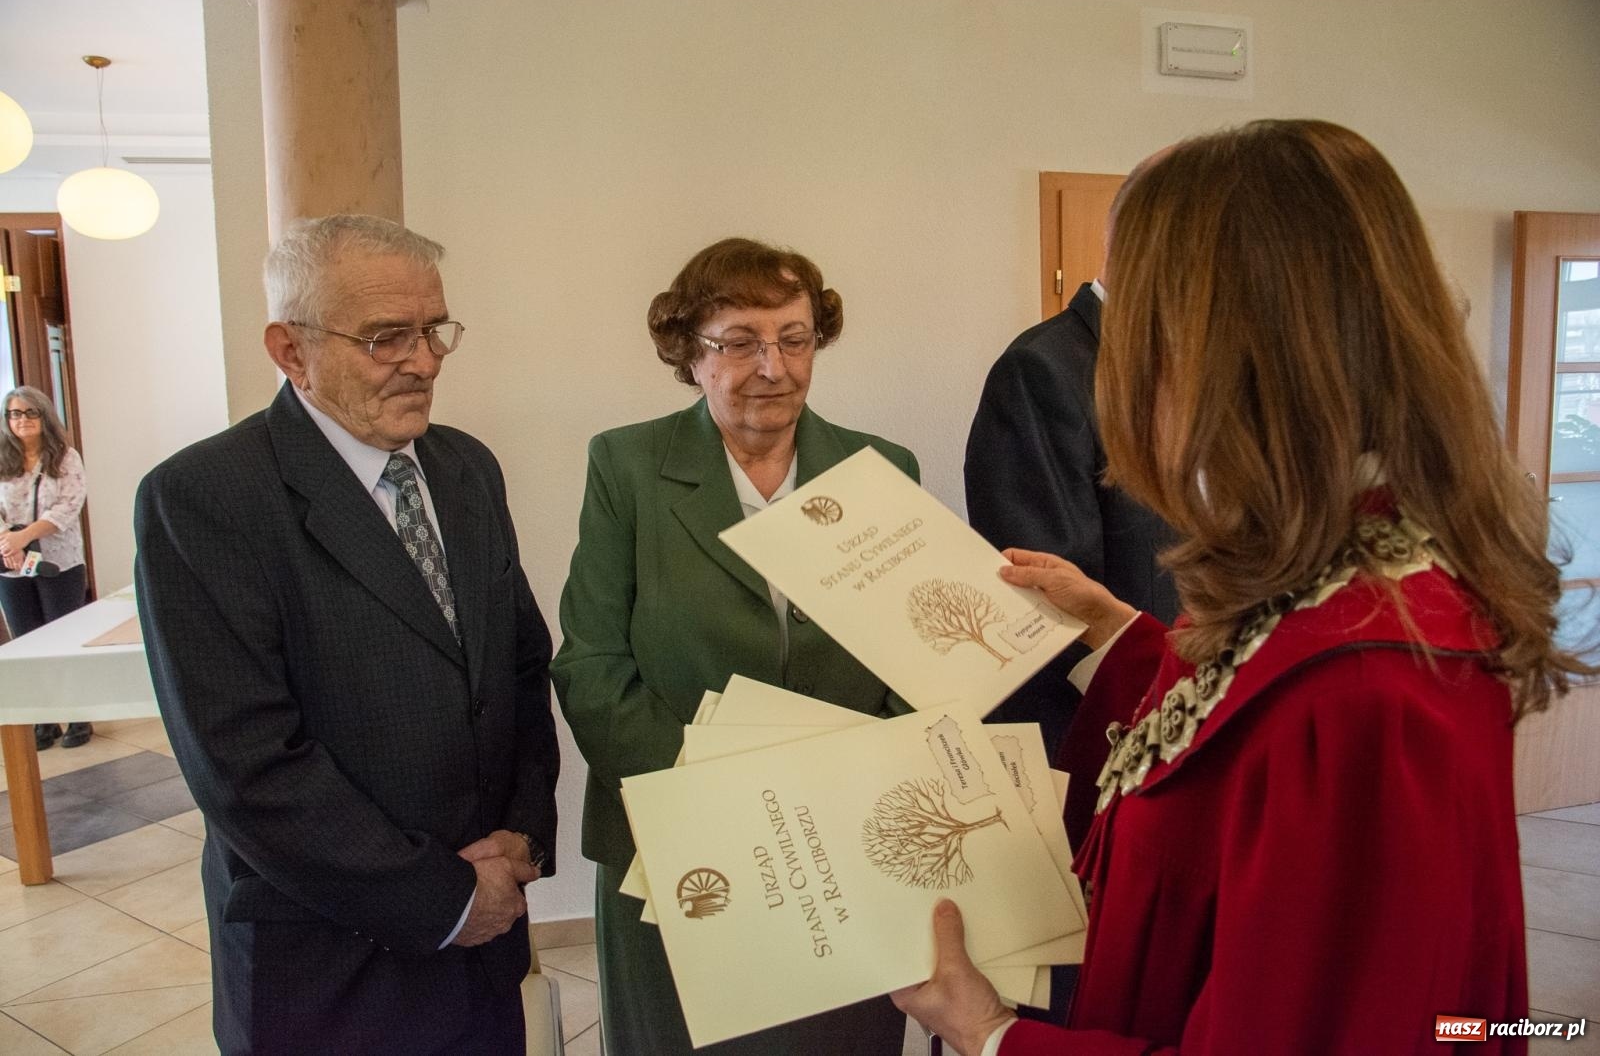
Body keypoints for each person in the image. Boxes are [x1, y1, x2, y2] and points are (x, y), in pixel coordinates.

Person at [893, 119, 1593, 1055]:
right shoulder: (1355, 561)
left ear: (1224, 356)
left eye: (1141, 334)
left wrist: (991, 1034)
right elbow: (1248, 731)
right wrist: (1119, 636)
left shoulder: (1363, 694)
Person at [134, 215, 559, 1055]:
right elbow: (246, 765)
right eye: (386, 337)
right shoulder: (204, 497)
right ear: (290, 351)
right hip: (327, 963)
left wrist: (522, 833)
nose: (425, 360)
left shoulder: (467, 467)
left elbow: (518, 668)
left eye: (434, 330)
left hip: (486, 943)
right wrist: (443, 898)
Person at [552, 237, 916, 1055]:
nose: (773, 366)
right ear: (689, 351)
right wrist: (723, 806)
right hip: (678, 844)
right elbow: (592, 669)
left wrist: (852, 789)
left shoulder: (877, 467)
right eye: (739, 342)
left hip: (839, 845)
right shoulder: (629, 466)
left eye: (794, 338)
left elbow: (910, 667)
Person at [963, 157, 1178, 758]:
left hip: (1183, 706)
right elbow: (1045, 609)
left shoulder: (1190, 368)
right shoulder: (1043, 369)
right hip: (1104, 736)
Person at [0, 385, 92, 749]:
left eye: (29, 413)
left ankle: (78, 716)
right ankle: (43, 719)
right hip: (10, 565)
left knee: (64, 640)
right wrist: (8, 541)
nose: (21, 420)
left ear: (44, 415)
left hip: (58, 562)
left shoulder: (65, 458)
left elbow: (69, 507)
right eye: (14, 414)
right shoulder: (2, 457)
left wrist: (25, 538)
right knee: (28, 643)